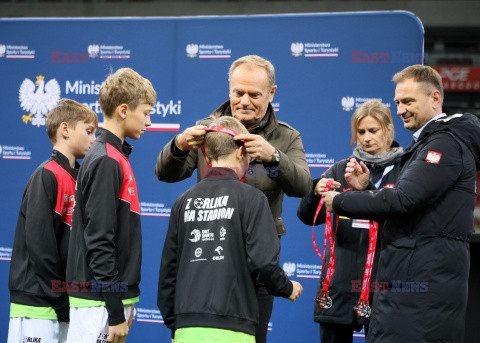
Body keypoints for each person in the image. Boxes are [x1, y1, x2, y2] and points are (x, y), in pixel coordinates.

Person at [155, 54, 311, 342]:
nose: (245, 101)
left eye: (254, 94)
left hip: (258, 268)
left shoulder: (286, 137)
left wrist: (274, 157)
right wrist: (177, 145)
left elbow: (303, 187)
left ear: (271, 93)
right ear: (229, 89)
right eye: (238, 92)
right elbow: (165, 174)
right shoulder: (206, 129)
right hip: (207, 259)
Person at [323, 65, 480, 342]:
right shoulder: (430, 142)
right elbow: (413, 211)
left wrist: (342, 200)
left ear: (434, 99)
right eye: (397, 102)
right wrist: (367, 189)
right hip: (412, 287)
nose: (400, 109)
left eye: (408, 101)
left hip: (422, 292)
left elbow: (403, 200)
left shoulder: (443, 144)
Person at [297, 100, 403, 343]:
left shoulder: (405, 169)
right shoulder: (340, 170)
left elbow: (403, 216)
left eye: (373, 131)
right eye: (361, 132)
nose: (366, 138)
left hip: (382, 286)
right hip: (338, 286)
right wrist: (314, 193)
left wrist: (368, 189)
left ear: (388, 129)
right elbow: (306, 218)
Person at [66, 68, 156, 343]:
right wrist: (115, 312)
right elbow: (100, 240)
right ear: (124, 110)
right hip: (99, 303)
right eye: (146, 112)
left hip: (103, 299)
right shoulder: (107, 159)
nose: (149, 122)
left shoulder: (113, 155)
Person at [8, 99, 98, 343]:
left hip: (64, 306)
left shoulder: (80, 180)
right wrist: (61, 299)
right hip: (37, 305)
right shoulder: (47, 175)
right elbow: (40, 246)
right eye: (89, 131)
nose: (94, 139)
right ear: (65, 130)